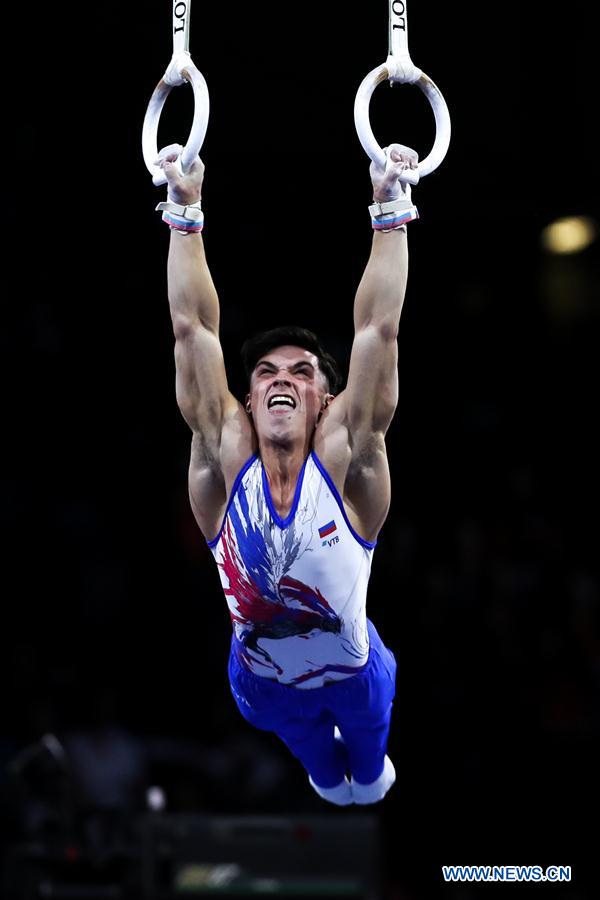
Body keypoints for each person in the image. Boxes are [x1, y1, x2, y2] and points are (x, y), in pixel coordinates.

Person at [154, 141, 419, 805]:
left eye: (302, 372)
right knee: (321, 767)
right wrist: (185, 211)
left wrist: (390, 207)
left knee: (367, 762)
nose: (280, 379)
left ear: (327, 402)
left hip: (356, 677)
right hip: (261, 685)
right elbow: (192, 331)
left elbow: (378, 332)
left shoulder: (346, 457)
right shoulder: (225, 451)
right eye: (266, 372)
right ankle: (327, 774)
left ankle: (357, 774)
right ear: (245, 399)